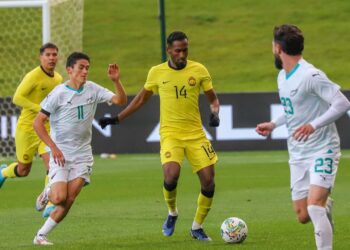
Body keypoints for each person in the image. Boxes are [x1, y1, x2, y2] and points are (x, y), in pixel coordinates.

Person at [99, 31, 220, 241]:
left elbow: (213, 99)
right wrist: (117, 119)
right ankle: (172, 212)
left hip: (196, 135)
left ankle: (197, 227)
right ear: (169, 50)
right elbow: (139, 100)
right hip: (171, 134)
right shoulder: (156, 72)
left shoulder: (199, 70)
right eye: (178, 51)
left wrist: (215, 113)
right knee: (171, 175)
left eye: (185, 50)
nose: (182, 55)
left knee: (209, 181)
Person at [256, 24, 350, 250]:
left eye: (272, 45)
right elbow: (293, 110)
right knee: (303, 215)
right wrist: (273, 123)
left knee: (314, 207)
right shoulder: (282, 76)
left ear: (278, 48)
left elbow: (342, 103)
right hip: (297, 153)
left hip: (323, 147)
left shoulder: (311, 75)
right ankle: (325, 205)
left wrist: (314, 125)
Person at [32, 52, 127, 245]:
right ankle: (47, 193)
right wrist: (53, 148)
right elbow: (38, 123)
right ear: (69, 70)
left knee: (70, 198)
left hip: (83, 155)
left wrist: (116, 81)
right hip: (61, 154)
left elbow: (120, 101)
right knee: (59, 197)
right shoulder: (59, 93)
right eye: (81, 67)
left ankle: (40, 236)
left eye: (87, 68)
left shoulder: (92, 89)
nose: (85, 71)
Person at [0, 43, 62, 216]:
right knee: (23, 170)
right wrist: (40, 109)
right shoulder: (33, 76)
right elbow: (17, 98)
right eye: (48, 55)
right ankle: (4, 172)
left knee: (52, 164)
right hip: (27, 128)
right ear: (40, 57)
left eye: (54, 55)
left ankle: (49, 201)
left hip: (46, 128)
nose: (51, 58)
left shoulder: (58, 78)